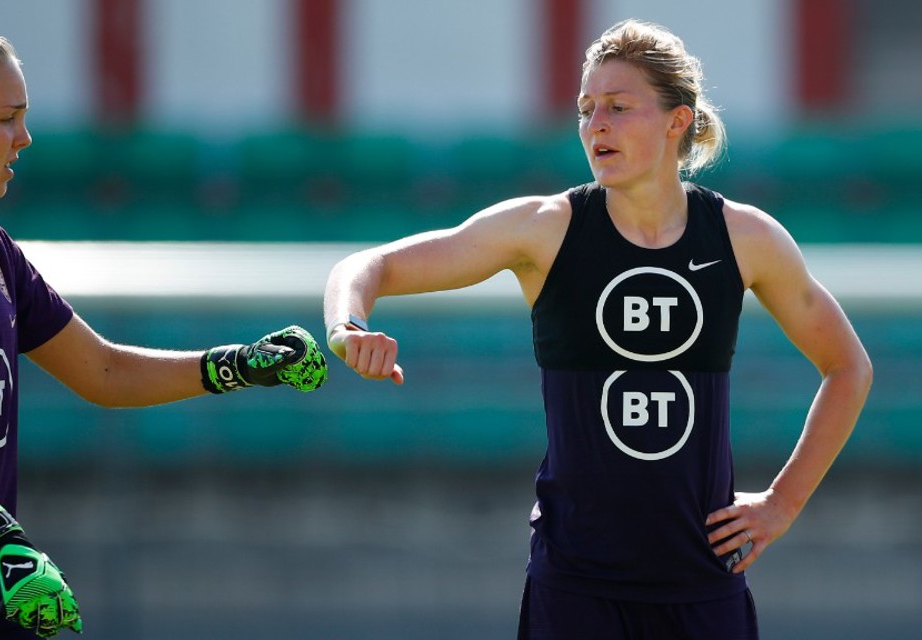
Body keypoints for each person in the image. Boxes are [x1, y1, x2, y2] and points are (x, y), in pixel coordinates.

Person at [0, 6, 327, 639]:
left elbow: (104, 371)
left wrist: (236, 366)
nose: (24, 138)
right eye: (7, 118)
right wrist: (2, 543)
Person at [323, 18, 871, 640]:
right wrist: (348, 326)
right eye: (586, 110)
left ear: (678, 121)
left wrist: (782, 504)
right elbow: (367, 266)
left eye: (618, 106)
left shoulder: (745, 238)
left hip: (704, 587)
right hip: (574, 589)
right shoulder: (545, 229)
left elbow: (848, 367)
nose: (595, 125)